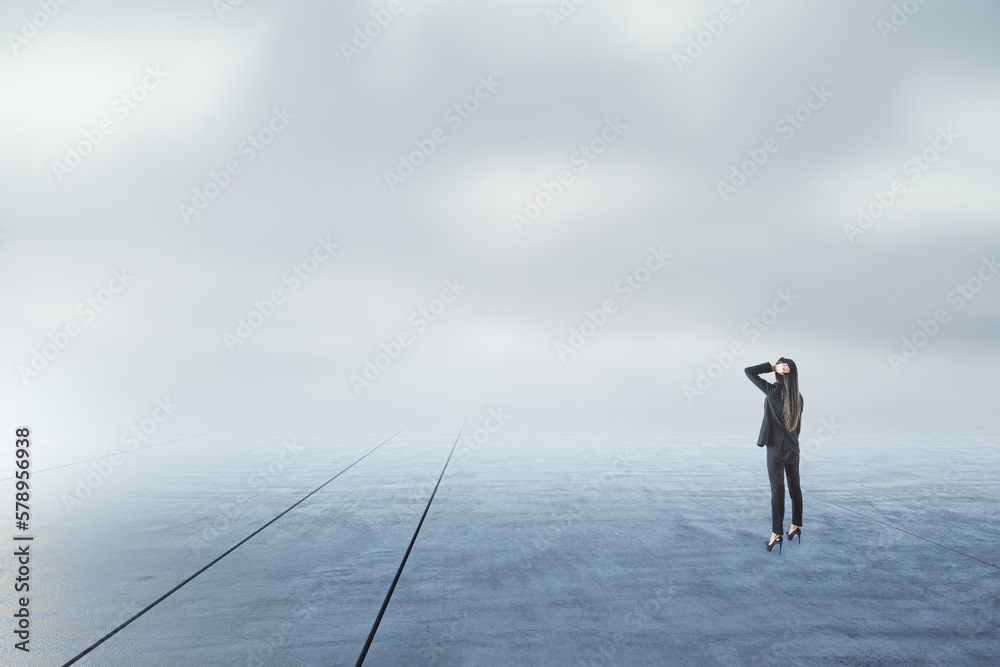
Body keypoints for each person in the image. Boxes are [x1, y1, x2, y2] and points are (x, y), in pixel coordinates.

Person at [745, 358, 804, 555]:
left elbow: (749, 371)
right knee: (795, 487)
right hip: (793, 449)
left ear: (780, 372)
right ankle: (795, 527)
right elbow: (798, 428)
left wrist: (771, 367)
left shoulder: (773, 391)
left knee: (777, 492)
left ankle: (775, 535)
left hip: (776, 451)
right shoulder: (799, 397)